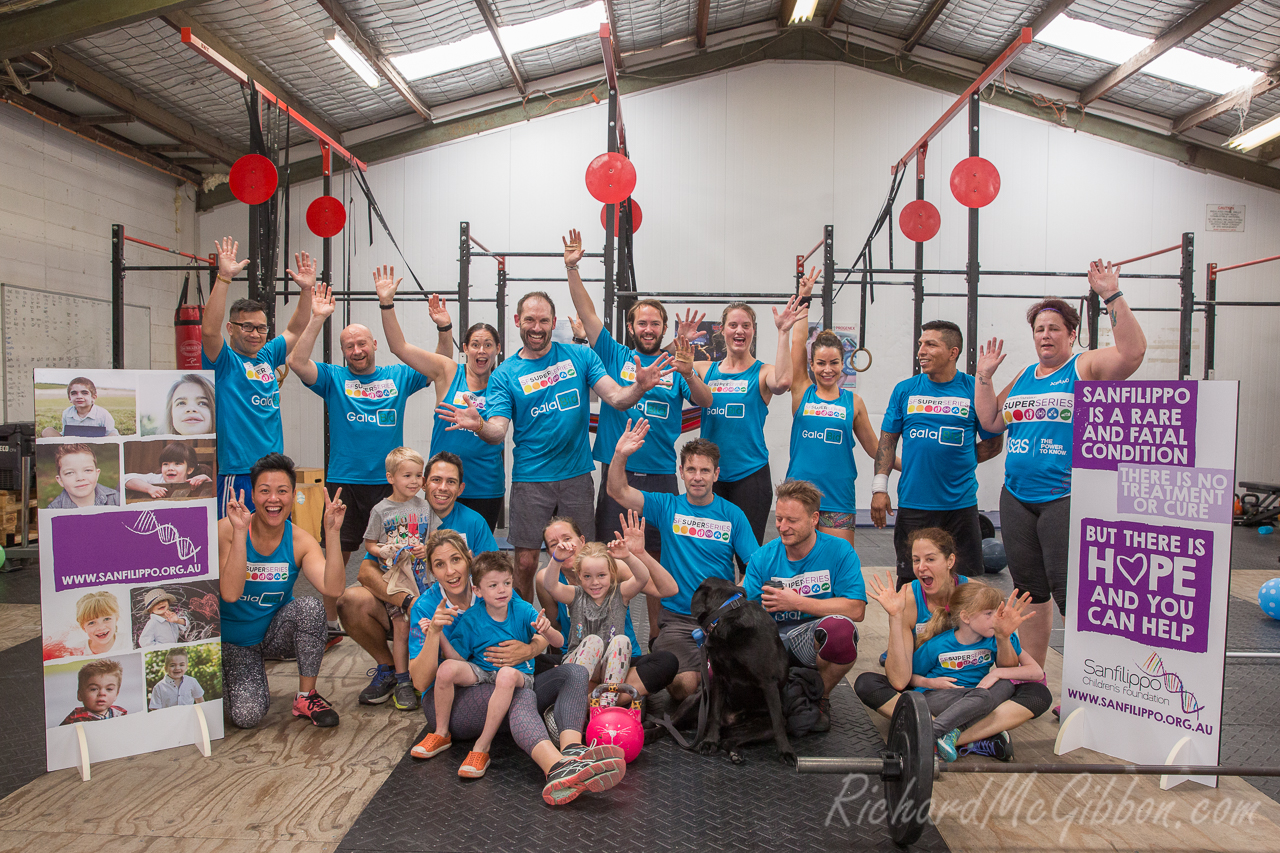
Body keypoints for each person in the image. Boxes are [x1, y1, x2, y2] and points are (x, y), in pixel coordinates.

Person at [437, 289, 675, 603]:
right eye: (530, 320)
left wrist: (639, 387)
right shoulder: (505, 375)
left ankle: (588, 623)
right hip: (531, 479)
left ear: (553, 322)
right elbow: (497, 431)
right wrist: (479, 425)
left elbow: (617, 398)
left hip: (576, 477)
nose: (537, 327)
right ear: (517, 320)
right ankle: (522, 624)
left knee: (585, 561)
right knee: (525, 563)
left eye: (544, 321)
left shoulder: (581, 357)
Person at [974, 259, 1147, 670]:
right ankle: (1033, 675)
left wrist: (1111, 294)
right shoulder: (1025, 376)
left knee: (1072, 593)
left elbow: (1132, 353)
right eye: (1039, 329)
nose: (1045, 335)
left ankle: (1092, 681)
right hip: (1017, 498)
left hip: (1065, 497)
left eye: (1054, 328)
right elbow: (991, 421)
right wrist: (984, 377)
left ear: (1071, 334)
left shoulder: (1082, 367)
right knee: (1029, 593)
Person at [407, 533, 627, 804]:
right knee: (513, 687)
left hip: (507, 681)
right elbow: (423, 680)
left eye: (455, 560)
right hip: (457, 701)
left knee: (572, 672)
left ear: (468, 560)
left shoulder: (507, 597)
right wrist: (435, 634)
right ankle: (555, 766)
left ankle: (572, 749)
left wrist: (530, 647)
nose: (451, 571)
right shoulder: (428, 606)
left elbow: (546, 637)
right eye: (440, 564)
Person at [287, 282, 433, 642]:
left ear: (374, 345)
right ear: (343, 352)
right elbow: (296, 362)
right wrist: (318, 318)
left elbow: (438, 366)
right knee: (336, 552)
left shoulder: (398, 376)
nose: (356, 350)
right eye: (349, 346)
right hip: (345, 481)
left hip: (390, 484)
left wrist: (442, 328)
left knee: (396, 552)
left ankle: (394, 614)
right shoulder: (334, 378)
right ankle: (330, 624)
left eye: (361, 343)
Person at [607, 422, 758, 702]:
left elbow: (756, 567)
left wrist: (734, 602)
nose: (697, 477)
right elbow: (618, 491)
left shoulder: (733, 515)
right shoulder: (667, 506)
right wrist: (620, 455)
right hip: (678, 619)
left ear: (716, 474)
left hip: (722, 619)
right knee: (683, 687)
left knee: (735, 686)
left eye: (705, 470)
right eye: (691, 470)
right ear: (681, 472)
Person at [340, 449, 497, 709]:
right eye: (436, 480)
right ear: (424, 483)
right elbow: (365, 571)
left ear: (461, 488)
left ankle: (455, 664)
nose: (442, 487)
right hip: (409, 602)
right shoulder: (397, 514)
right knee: (350, 599)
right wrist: (409, 602)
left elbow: (492, 572)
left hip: (456, 610)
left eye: (451, 481)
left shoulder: (474, 522)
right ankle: (390, 669)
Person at [859, 573, 1050, 760]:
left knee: (1006, 685)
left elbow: (1036, 672)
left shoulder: (995, 636)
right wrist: (930, 683)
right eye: (988, 614)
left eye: (996, 613)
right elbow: (910, 676)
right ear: (966, 617)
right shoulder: (938, 645)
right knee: (983, 696)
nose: (995, 619)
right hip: (939, 697)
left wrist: (998, 672)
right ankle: (944, 734)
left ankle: (943, 735)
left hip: (974, 699)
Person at [218, 453, 347, 729]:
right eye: (265, 491)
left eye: (282, 491)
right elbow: (230, 594)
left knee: (311, 608)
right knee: (247, 716)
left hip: (272, 634)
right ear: (253, 495)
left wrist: (333, 533)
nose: (273, 499)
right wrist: (240, 533)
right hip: (233, 642)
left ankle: (306, 697)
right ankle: (227, 675)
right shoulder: (226, 530)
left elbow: (333, 588)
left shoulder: (300, 540)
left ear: (293, 494)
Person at [872, 320, 1004, 586]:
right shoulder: (905, 390)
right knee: (911, 584)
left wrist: (958, 461)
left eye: (931, 344)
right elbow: (887, 442)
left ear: (953, 352)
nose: (921, 351)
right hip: (914, 504)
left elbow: (993, 444)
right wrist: (879, 488)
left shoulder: (974, 389)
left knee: (962, 587)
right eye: (921, 344)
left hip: (960, 506)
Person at [374, 270, 505, 531]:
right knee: (437, 548)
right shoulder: (448, 371)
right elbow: (399, 347)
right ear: (465, 348)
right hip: (442, 485)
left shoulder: (503, 383)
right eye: (475, 344)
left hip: (485, 485)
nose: (481, 350)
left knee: (478, 550)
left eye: (488, 345)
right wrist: (386, 303)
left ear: (497, 349)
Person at [414, 551, 563, 779]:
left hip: (518, 674)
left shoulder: (522, 609)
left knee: (505, 675)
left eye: (507, 583)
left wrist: (547, 629)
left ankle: (482, 747)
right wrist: (437, 633)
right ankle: (441, 733)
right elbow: (457, 658)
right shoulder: (472, 618)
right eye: (493, 585)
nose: (502, 590)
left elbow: (559, 642)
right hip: (482, 671)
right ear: (478, 591)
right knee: (446, 669)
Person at [680, 295, 806, 545]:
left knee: (747, 554)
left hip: (750, 476)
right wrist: (681, 342)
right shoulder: (704, 369)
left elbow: (783, 382)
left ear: (753, 331)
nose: (739, 330)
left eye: (746, 326)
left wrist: (783, 332)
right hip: (710, 478)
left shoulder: (763, 372)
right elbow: (669, 366)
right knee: (711, 550)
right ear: (722, 330)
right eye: (733, 325)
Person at [201, 237, 313, 517]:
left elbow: (295, 329)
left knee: (275, 535)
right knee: (234, 536)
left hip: (273, 471)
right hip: (238, 471)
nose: (255, 334)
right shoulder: (224, 361)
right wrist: (224, 278)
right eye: (247, 327)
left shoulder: (267, 356)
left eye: (261, 328)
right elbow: (209, 331)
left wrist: (306, 290)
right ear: (231, 328)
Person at [742, 479, 865, 728]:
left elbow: (856, 609)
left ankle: (820, 697)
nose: (783, 527)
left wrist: (797, 602)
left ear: (814, 519)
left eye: (792, 520)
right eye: (779, 519)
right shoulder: (763, 557)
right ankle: (786, 693)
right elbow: (746, 609)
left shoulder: (839, 551)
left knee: (841, 631)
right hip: (771, 641)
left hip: (812, 641)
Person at [787, 270, 895, 547]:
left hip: (838, 498)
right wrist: (804, 298)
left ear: (843, 363)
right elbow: (798, 342)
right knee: (798, 564)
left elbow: (876, 449)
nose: (827, 369)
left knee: (838, 564)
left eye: (834, 363)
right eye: (821, 363)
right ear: (811, 365)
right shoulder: (802, 391)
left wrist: (912, 466)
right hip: (799, 496)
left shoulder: (853, 403)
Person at [536, 514, 680, 706]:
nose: (563, 545)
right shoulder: (566, 589)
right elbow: (552, 597)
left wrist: (634, 554)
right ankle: (603, 697)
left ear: (581, 540)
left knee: (663, 659)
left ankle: (590, 702)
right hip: (580, 661)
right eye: (554, 544)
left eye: (567, 538)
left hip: (619, 662)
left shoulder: (615, 575)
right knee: (533, 662)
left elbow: (655, 583)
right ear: (549, 553)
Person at [541, 536, 651, 688]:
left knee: (622, 641)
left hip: (610, 667)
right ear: (579, 575)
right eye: (587, 576)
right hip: (577, 667)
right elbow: (550, 586)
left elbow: (643, 578)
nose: (595, 582)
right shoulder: (575, 595)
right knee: (593, 641)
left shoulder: (620, 593)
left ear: (611, 573)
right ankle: (575, 693)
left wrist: (628, 556)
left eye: (601, 575)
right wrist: (557, 559)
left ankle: (608, 697)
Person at [123, 442, 212, 500]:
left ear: (189, 469)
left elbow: (211, 492)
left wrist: (205, 479)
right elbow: (125, 479)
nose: (170, 468)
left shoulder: (193, 481)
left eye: (177, 463)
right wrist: (150, 488)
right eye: (165, 464)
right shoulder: (157, 479)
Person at [42, 377, 119, 437]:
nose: (79, 396)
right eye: (74, 393)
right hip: (73, 446)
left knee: (113, 435)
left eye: (84, 393)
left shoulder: (103, 414)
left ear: (93, 397)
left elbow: (112, 433)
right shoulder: (67, 413)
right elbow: (65, 433)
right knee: (47, 431)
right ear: (70, 398)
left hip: (96, 446)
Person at [47, 443, 118, 508]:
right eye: (69, 473)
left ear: (97, 474)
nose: (80, 478)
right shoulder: (53, 510)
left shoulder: (116, 499)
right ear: (60, 480)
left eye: (87, 470)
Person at [60, 659, 127, 725]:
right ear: (80, 695)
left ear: (116, 694)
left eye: (109, 689)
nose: (102, 693)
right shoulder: (75, 719)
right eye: (94, 689)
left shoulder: (120, 714)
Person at [73, 591, 120, 657]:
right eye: (91, 623)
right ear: (83, 627)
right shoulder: (76, 652)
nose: (101, 627)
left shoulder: (128, 642)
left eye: (107, 619)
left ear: (116, 619)